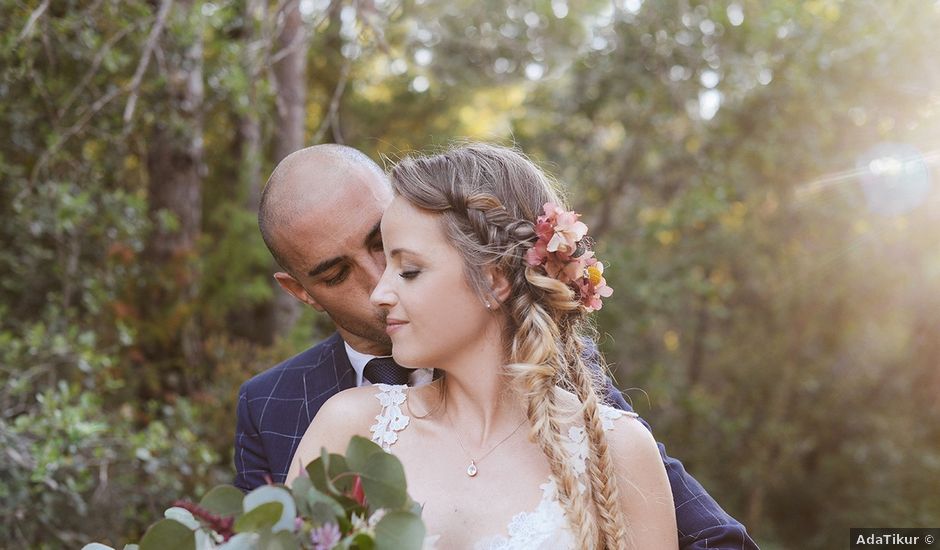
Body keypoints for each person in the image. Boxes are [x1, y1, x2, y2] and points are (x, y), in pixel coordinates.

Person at [235, 144, 758, 549]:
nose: (378, 288)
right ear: (300, 291)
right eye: (337, 273)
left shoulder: (599, 428)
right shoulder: (336, 420)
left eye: (402, 262)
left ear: (494, 278)